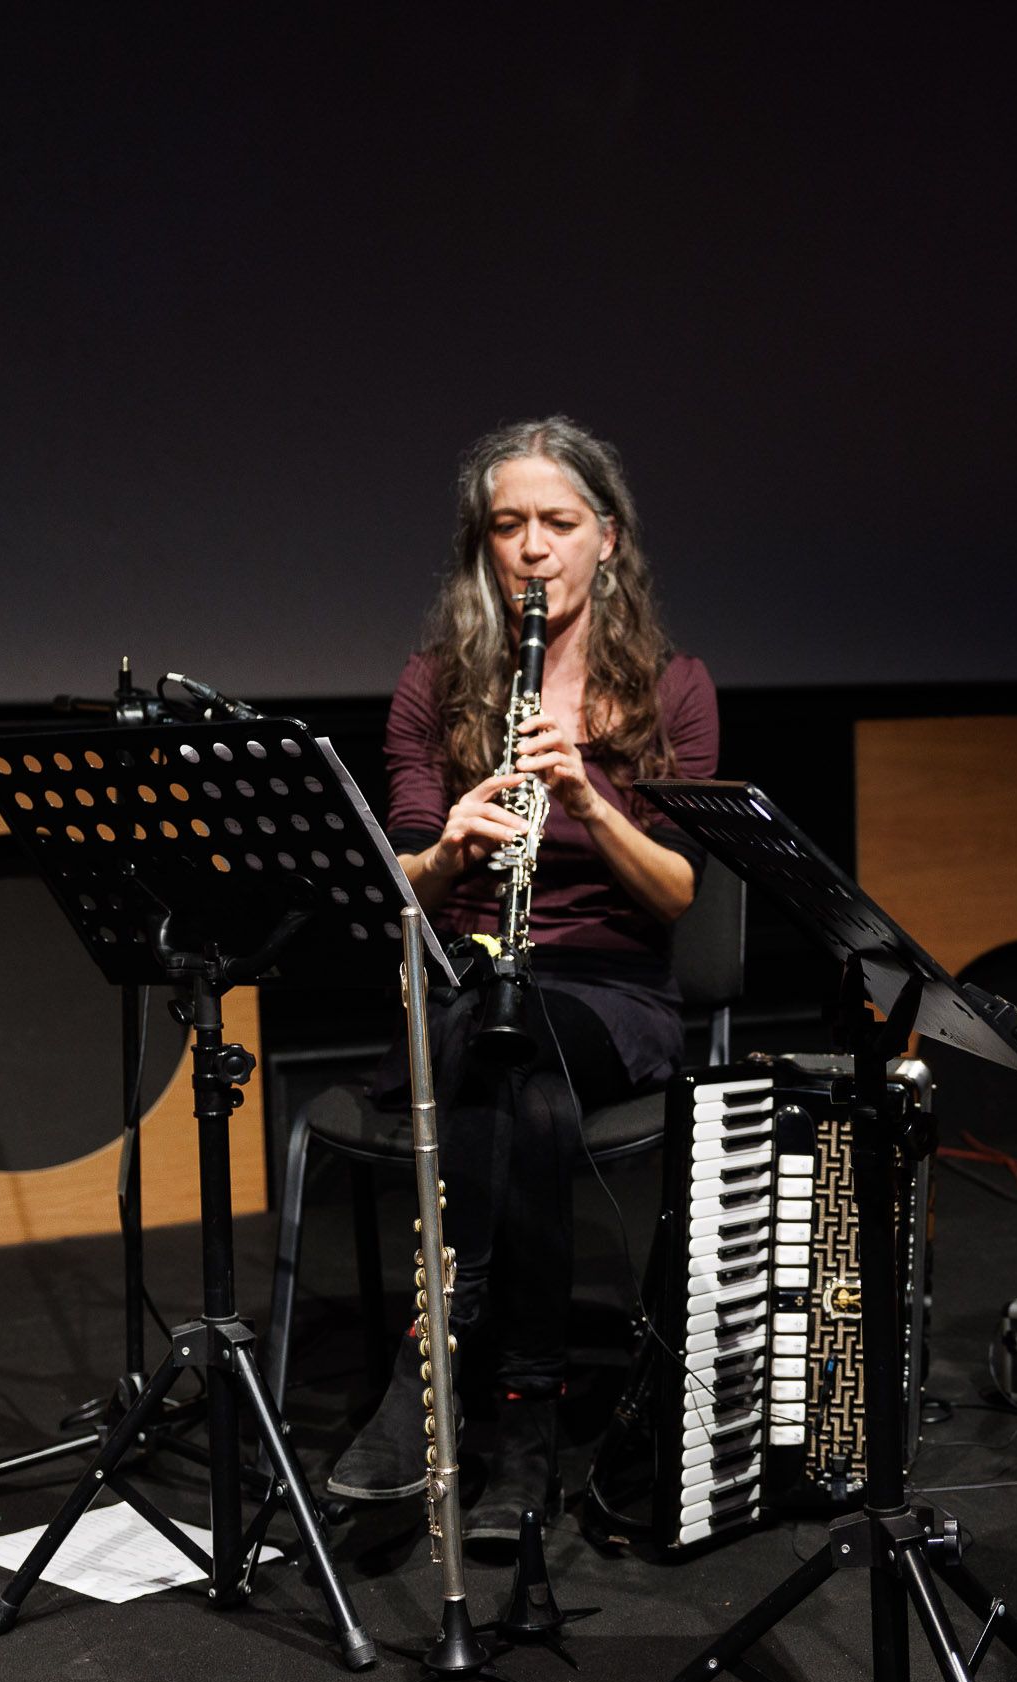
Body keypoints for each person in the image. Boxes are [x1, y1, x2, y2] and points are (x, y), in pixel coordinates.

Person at [327, 417, 718, 1551]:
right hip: (471, 980)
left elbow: (680, 896)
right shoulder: (437, 686)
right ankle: (530, 1422)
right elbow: (402, 877)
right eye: (509, 526)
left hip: (613, 996)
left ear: (608, 536)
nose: (533, 549)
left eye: (558, 523)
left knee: (514, 1047)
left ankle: (431, 1375)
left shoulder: (672, 689)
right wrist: (450, 846)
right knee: (516, 1076)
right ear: (483, 547)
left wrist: (589, 800)